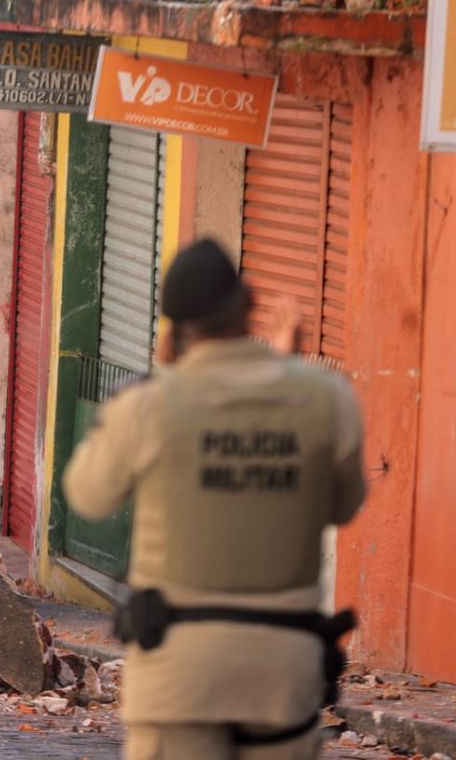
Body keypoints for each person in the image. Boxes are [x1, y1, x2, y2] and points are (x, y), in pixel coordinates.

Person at [63, 239, 365, 760]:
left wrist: (158, 381)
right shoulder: (326, 398)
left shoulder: (149, 406)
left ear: (174, 330)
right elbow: (345, 505)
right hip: (281, 674)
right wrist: (288, 374)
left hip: (180, 677)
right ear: (248, 302)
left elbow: (88, 496)